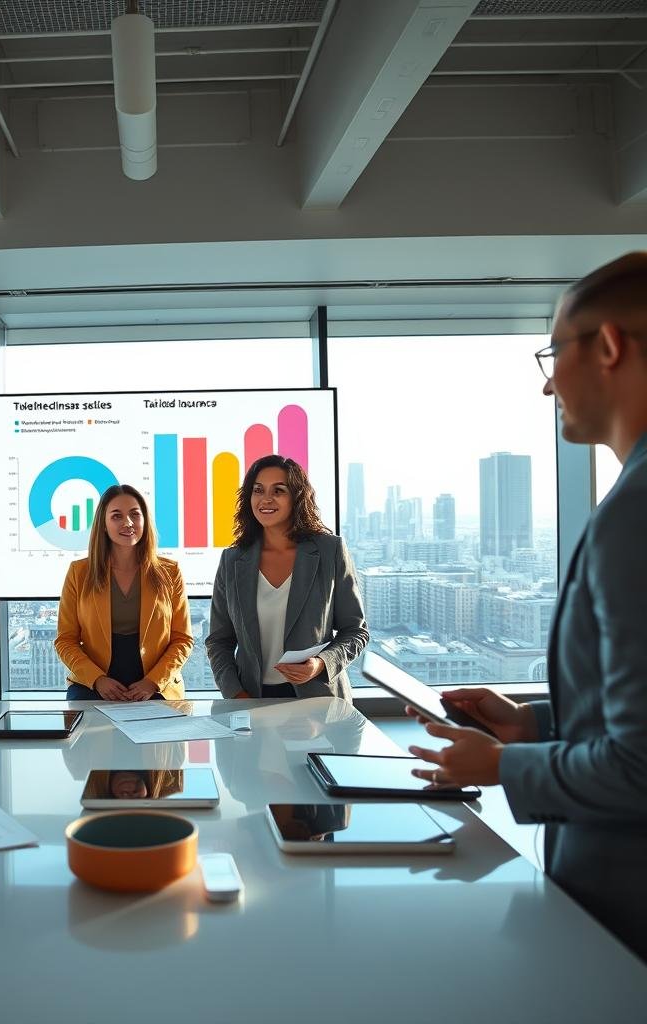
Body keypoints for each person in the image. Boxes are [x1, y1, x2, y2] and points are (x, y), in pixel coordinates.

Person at [407, 252, 647, 962]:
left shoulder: (635, 512)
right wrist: (530, 725)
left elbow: (640, 765)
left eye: (554, 353)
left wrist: (501, 766)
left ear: (607, 346)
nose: (547, 383)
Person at [207, 454, 368, 699]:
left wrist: (321, 663)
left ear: (297, 498)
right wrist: (237, 695)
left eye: (279, 490)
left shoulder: (329, 550)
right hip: (252, 699)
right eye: (258, 490)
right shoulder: (232, 560)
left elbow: (356, 631)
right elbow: (219, 642)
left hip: (318, 699)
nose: (266, 499)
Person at [55, 483, 192, 701]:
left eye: (135, 515)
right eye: (117, 516)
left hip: (155, 686)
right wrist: (97, 679)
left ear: (145, 522)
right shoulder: (79, 573)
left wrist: (152, 682)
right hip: (94, 686)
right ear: (103, 524)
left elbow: (182, 639)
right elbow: (65, 640)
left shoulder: (170, 572)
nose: (128, 523)